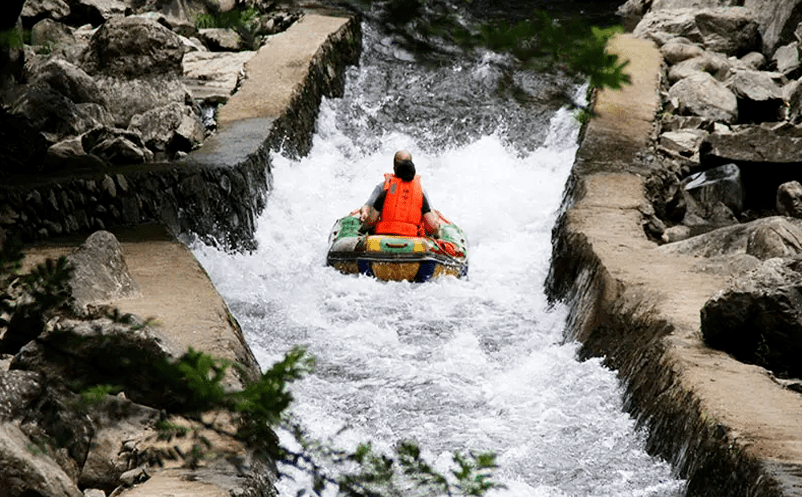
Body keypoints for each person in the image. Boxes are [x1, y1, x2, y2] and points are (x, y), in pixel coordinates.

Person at [351, 150, 442, 236]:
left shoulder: (386, 191)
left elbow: (370, 221)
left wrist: (361, 231)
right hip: (411, 237)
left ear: (395, 168)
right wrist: (438, 234)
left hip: (384, 235)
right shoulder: (419, 194)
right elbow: (432, 226)